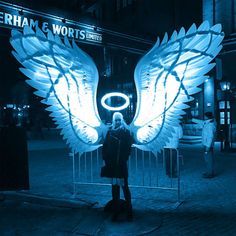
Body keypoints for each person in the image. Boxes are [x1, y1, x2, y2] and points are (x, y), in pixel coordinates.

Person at [101, 112, 133, 222]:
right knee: (114, 188)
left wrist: (123, 158)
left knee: (125, 187)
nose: (118, 121)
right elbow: (105, 147)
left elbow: (128, 148)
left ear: (122, 120)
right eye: (116, 120)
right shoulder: (110, 132)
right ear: (114, 121)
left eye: (119, 120)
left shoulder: (126, 132)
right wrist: (106, 159)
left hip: (121, 164)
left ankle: (129, 210)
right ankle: (116, 210)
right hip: (112, 164)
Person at [192, 112, 216, 178]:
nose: (204, 117)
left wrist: (208, 146)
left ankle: (210, 174)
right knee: (207, 159)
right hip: (206, 144)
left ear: (207, 117)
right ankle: (209, 172)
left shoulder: (210, 125)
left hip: (208, 145)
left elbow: (210, 136)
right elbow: (201, 122)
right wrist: (192, 119)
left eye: (205, 116)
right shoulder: (208, 122)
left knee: (209, 159)